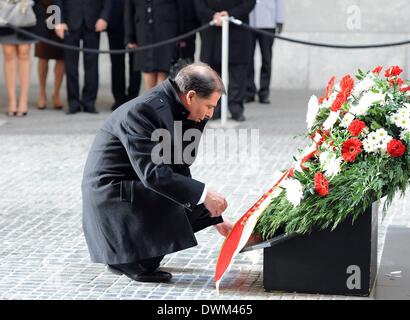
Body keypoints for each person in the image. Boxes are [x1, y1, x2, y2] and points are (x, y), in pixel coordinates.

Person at [82, 63, 233, 282]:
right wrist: (204, 195)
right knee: (192, 195)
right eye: (209, 106)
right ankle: (127, 258)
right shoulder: (144, 111)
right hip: (113, 197)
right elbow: (152, 174)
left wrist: (213, 216)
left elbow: (179, 167)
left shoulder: (187, 111)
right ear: (190, 96)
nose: (211, 113)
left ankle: (134, 255)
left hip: (133, 186)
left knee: (192, 198)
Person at [194, 0, 256, 122]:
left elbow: (249, 3)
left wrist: (229, 14)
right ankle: (214, 109)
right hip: (212, 30)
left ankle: (236, 108)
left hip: (237, 32)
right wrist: (213, 16)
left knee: (237, 74)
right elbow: (199, 4)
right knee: (212, 75)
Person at [53, 0, 111, 114]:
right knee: (70, 65)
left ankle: (89, 102)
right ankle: (73, 103)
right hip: (69, 21)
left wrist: (104, 18)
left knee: (92, 65)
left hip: (94, 21)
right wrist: (58, 21)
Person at [0, 0, 43, 117]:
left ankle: (23, 100)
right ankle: (12, 100)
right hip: (4, 12)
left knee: (24, 51)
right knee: (8, 52)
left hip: (26, 12)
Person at [124, 0, 179, 91]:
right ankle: (151, 101)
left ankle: (160, 101)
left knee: (163, 70)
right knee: (148, 70)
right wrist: (129, 37)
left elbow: (180, 10)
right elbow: (129, 12)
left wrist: (181, 36)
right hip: (143, 35)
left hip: (166, 33)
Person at [245, 0, 285, 104]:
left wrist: (279, 19)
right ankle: (249, 91)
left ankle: (264, 92)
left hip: (268, 21)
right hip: (249, 21)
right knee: (247, 59)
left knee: (267, 59)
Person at [107, 0, 141, 111]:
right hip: (115, 19)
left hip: (136, 20)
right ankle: (119, 98)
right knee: (116, 61)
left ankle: (133, 97)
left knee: (136, 62)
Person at [35, 0, 65, 110]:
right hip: (42, 12)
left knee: (61, 57)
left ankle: (56, 93)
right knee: (42, 55)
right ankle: (42, 93)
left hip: (62, 13)